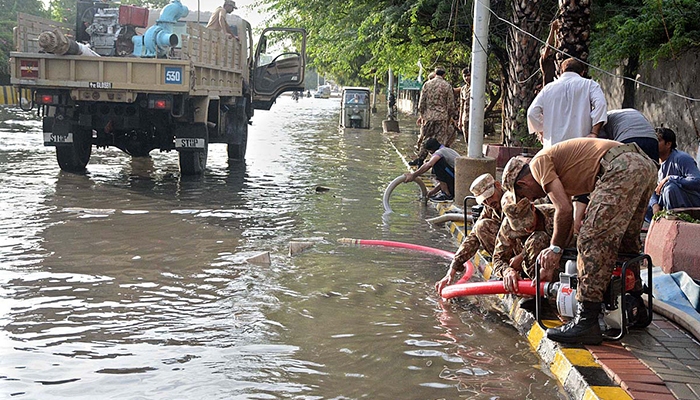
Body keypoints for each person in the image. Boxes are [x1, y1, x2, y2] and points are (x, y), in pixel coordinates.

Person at [502, 138, 657, 344]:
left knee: (591, 239)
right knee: (625, 242)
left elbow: (563, 210)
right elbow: (569, 220)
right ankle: (636, 304)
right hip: (643, 165)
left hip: (620, 168)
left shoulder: (538, 164)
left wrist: (554, 250)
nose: (530, 200)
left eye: (524, 195)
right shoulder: (562, 170)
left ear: (522, 183)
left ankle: (586, 320)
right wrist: (555, 259)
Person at [435, 173, 509, 294]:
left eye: (490, 196)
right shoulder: (490, 206)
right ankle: (503, 269)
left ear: (498, 186)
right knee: (481, 227)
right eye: (484, 200)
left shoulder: (512, 200)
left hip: (526, 249)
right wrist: (452, 270)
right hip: (510, 250)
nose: (489, 202)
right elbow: (473, 236)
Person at [527, 58, 608, 148]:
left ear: (561, 72)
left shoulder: (548, 89)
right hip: (582, 146)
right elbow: (601, 104)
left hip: (553, 147)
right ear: (582, 72)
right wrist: (594, 133)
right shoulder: (589, 85)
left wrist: (543, 132)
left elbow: (532, 113)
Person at [494, 198, 560, 293]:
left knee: (539, 238)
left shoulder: (554, 213)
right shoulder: (507, 226)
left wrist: (522, 255)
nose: (526, 228)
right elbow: (498, 259)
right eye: (520, 225)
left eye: (527, 221)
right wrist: (507, 271)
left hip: (557, 266)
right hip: (529, 270)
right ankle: (534, 289)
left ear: (533, 207)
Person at [649, 127, 700, 218]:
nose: (653, 144)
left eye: (658, 141)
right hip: (665, 204)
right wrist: (654, 205)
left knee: (670, 188)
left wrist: (671, 178)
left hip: (691, 204)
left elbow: (696, 181)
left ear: (668, 144)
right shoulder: (653, 163)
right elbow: (652, 190)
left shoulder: (681, 158)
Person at [411, 66, 457, 167]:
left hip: (429, 117)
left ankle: (420, 160)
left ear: (435, 74)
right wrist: (449, 117)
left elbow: (421, 103)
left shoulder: (427, 85)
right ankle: (436, 163)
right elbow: (450, 105)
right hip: (442, 117)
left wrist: (423, 115)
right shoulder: (447, 86)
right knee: (440, 142)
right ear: (444, 75)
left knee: (426, 139)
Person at [404, 138, 458, 202]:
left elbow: (429, 164)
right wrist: (432, 192)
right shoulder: (447, 150)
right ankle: (446, 193)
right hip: (456, 181)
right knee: (436, 162)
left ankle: (446, 194)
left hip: (457, 181)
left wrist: (413, 175)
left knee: (437, 163)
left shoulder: (439, 152)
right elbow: (445, 179)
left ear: (431, 150)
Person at [540, 20, 560, 88]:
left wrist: (556, 31)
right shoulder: (543, 60)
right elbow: (548, 46)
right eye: (543, 50)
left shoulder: (553, 57)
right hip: (548, 87)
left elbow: (557, 46)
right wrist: (552, 29)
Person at [457, 68, 471, 142]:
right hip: (465, 119)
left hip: (474, 119)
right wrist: (460, 120)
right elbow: (461, 106)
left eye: (468, 75)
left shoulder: (477, 88)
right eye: (465, 76)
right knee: (467, 139)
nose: (467, 78)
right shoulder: (463, 89)